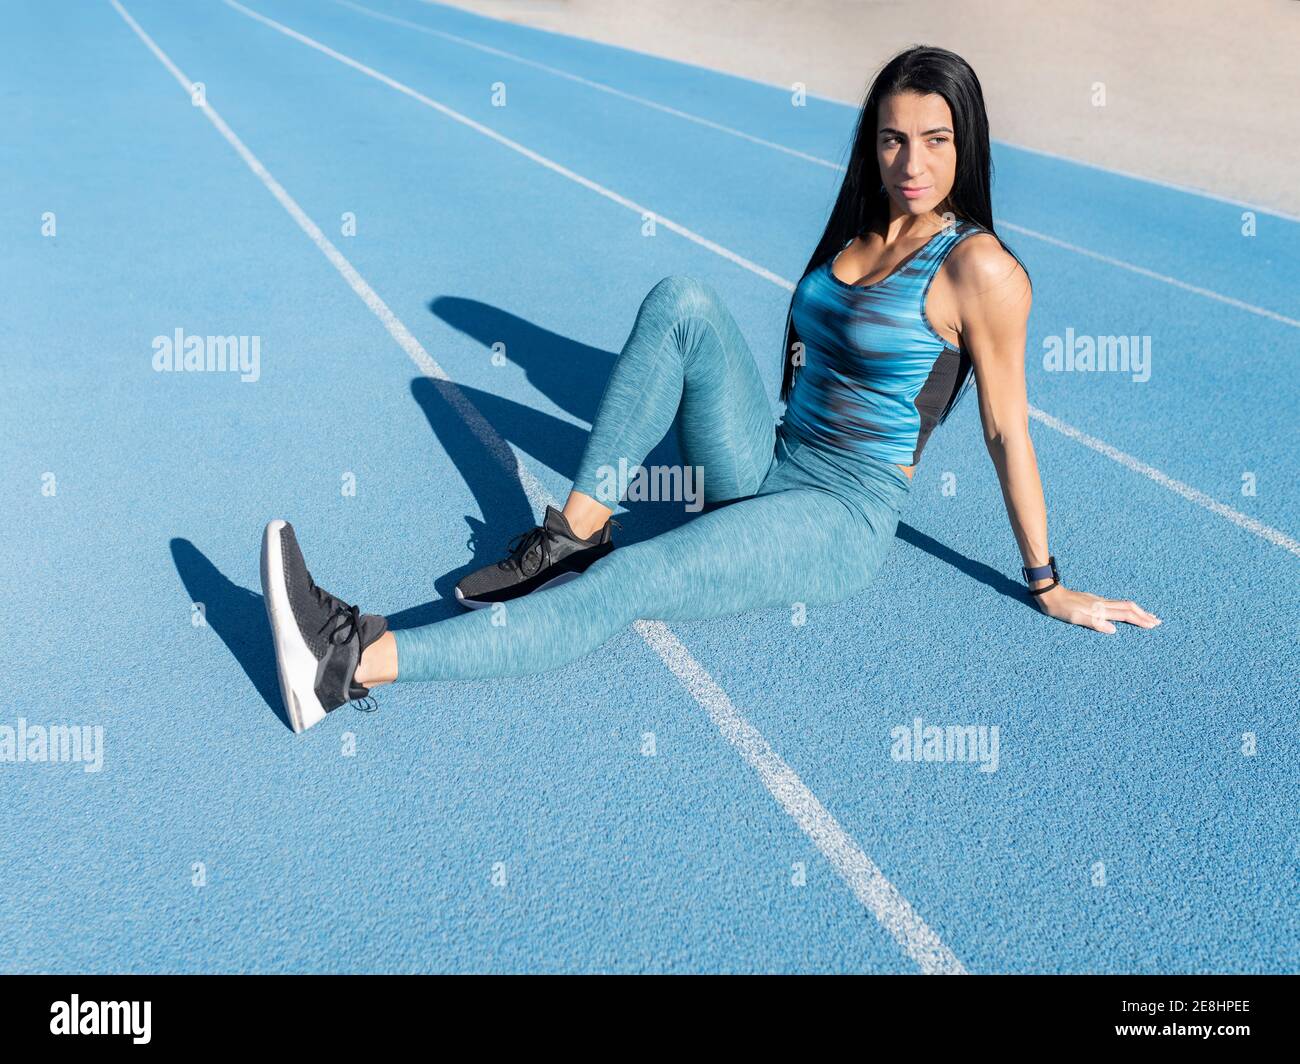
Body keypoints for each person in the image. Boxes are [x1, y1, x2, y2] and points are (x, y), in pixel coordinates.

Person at [260, 45, 1160, 734]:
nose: (911, 161)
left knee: (636, 578)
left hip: (838, 515)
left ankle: (349, 665)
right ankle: (573, 533)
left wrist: (1047, 583)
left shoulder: (983, 271)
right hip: (770, 456)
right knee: (683, 300)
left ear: (969, 143)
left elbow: (1008, 432)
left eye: (936, 140)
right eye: (893, 137)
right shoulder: (865, 219)